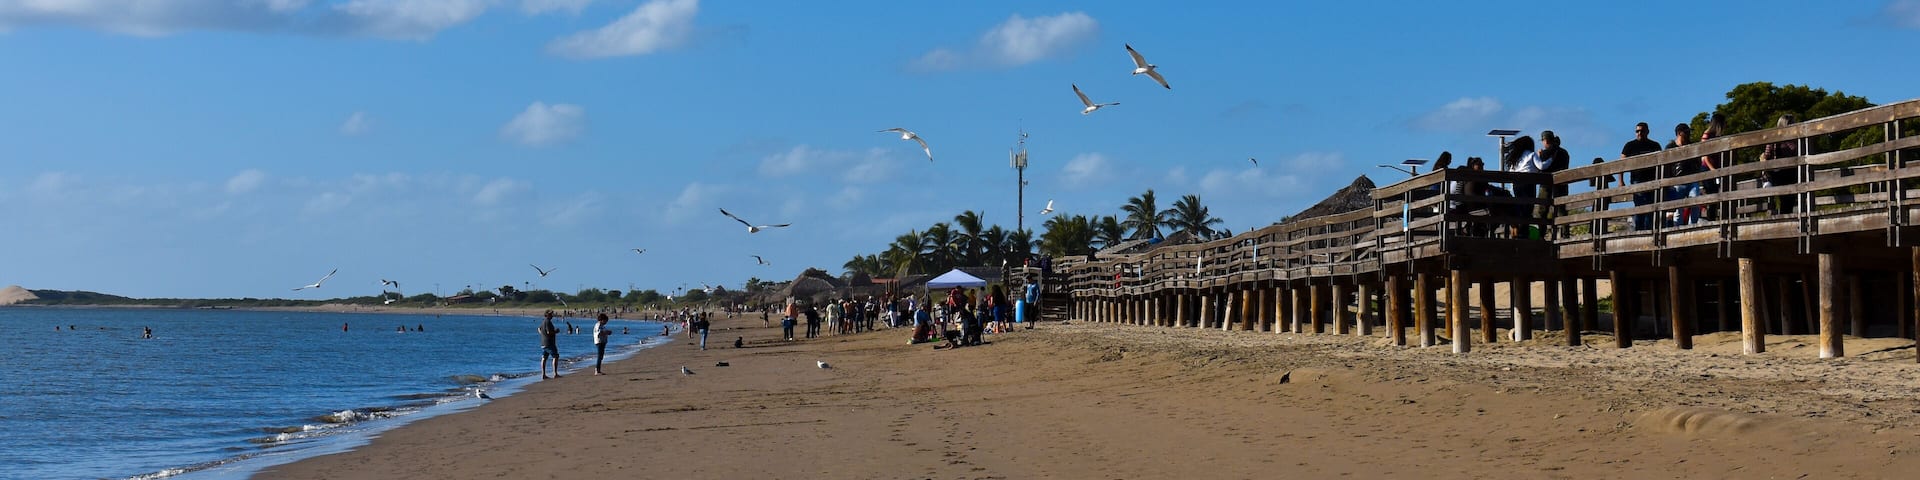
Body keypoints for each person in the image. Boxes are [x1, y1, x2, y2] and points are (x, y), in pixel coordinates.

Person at [1621, 122, 1665, 230]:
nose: (1639, 133)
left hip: (1652, 180)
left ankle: (1649, 230)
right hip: (1637, 180)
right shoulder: (1630, 146)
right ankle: (1639, 231)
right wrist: (1621, 181)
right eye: (1637, 131)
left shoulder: (1654, 145)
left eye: (1642, 131)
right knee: (1640, 206)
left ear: (1647, 132)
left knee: (1651, 207)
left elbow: (1663, 161)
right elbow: (1621, 164)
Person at [1762, 114, 1801, 215]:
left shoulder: (1773, 138)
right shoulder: (1791, 140)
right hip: (1787, 173)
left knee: (1786, 200)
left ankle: (1784, 217)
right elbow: (1795, 151)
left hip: (1780, 173)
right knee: (1787, 200)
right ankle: (1785, 217)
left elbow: (1766, 155)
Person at [1665, 123, 1698, 225]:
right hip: (1677, 181)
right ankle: (1677, 228)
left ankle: (1693, 225)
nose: (1689, 134)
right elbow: (1666, 166)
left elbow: (1697, 161)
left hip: (1691, 179)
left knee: (1696, 200)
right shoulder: (1670, 147)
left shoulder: (1691, 145)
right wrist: (1668, 183)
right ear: (1680, 133)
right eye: (1686, 132)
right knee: (1678, 208)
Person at [539, 311, 562, 379]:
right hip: (549, 343)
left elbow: (539, 329)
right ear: (547, 315)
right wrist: (556, 331)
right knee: (555, 356)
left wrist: (543, 334)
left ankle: (543, 374)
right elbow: (549, 332)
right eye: (551, 314)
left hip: (543, 343)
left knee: (544, 358)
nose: (552, 315)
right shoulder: (548, 322)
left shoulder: (543, 321)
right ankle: (555, 373)